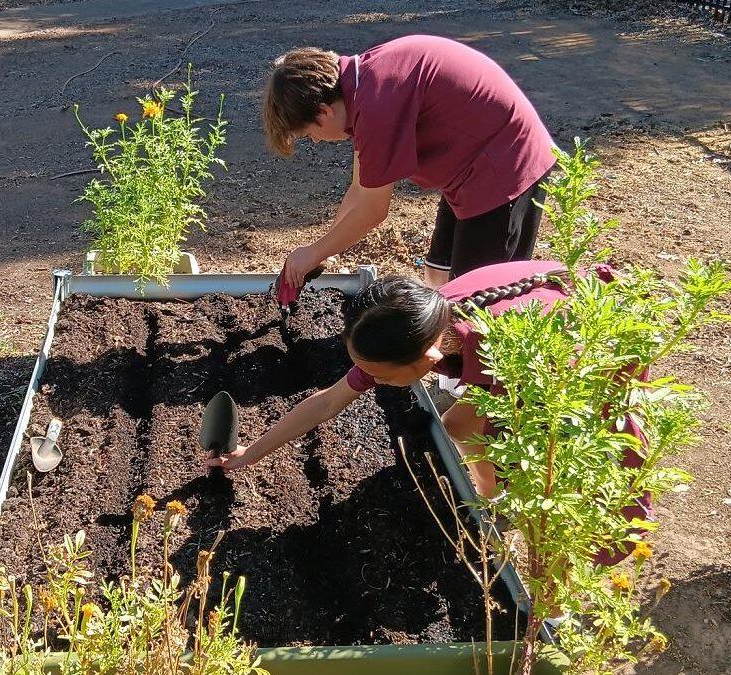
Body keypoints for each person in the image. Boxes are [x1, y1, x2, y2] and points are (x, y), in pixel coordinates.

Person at [207, 260, 652, 565]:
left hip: (583, 354)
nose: (369, 380)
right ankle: (492, 503)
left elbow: (476, 426)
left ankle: (553, 582)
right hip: (528, 328)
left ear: (428, 358)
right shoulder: (413, 323)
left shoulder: (504, 356)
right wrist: (248, 454)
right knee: (467, 426)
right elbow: (326, 401)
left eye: (378, 374)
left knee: (562, 475)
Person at [263, 36, 557, 290]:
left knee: (477, 298)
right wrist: (324, 252)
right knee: (439, 276)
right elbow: (359, 189)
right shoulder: (360, 85)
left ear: (324, 112)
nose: (315, 140)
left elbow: (373, 209)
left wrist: (311, 254)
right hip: (469, 166)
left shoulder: (376, 105)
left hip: (506, 165)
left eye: (308, 133)